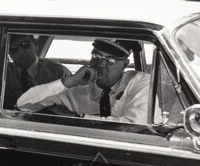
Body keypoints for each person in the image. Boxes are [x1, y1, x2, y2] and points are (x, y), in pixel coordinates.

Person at [17, 39, 152, 123]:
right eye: (96, 55)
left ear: (125, 64)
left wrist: (77, 117)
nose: (100, 64)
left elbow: (134, 126)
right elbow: (24, 104)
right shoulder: (78, 85)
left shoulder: (140, 83)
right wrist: (70, 81)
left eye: (110, 60)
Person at [2, 34, 70, 109]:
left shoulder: (58, 73)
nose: (20, 52)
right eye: (13, 48)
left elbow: (74, 108)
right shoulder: (3, 73)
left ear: (36, 44)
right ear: (8, 52)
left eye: (25, 44)